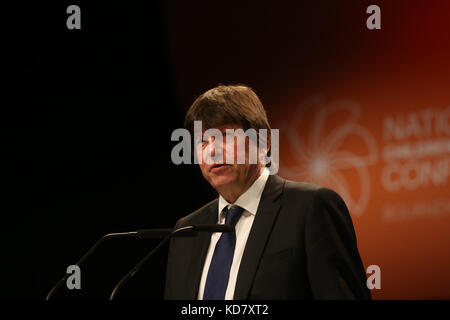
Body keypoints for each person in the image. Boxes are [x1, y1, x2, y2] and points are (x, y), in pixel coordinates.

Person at [164, 84, 371, 300]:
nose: (212, 150)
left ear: (264, 142)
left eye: (225, 135)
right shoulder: (186, 231)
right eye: (202, 141)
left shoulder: (310, 208)